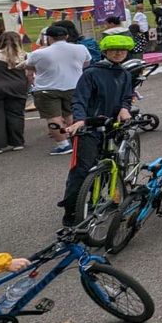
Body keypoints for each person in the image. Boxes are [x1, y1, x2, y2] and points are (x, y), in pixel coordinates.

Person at [58, 34, 134, 226]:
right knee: (82, 170)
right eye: (114, 50)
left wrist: (125, 108)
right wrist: (80, 120)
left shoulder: (124, 73)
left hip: (112, 128)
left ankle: (102, 200)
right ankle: (72, 212)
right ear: (105, 52)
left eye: (122, 50)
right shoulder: (91, 73)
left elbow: (126, 96)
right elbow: (79, 99)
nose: (118, 53)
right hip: (90, 128)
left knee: (112, 166)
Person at [25, 24, 91, 155]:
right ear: (66, 36)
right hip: (74, 85)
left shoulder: (38, 53)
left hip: (47, 89)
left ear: (49, 37)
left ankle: (63, 144)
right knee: (71, 114)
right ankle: (75, 139)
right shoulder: (80, 48)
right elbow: (86, 63)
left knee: (53, 117)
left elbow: (29, 69)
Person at [0, 32, 29, 155]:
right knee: (16, 115)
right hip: (18, 88)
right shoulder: (25, 55)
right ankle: (17, 142)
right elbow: (29, 74)